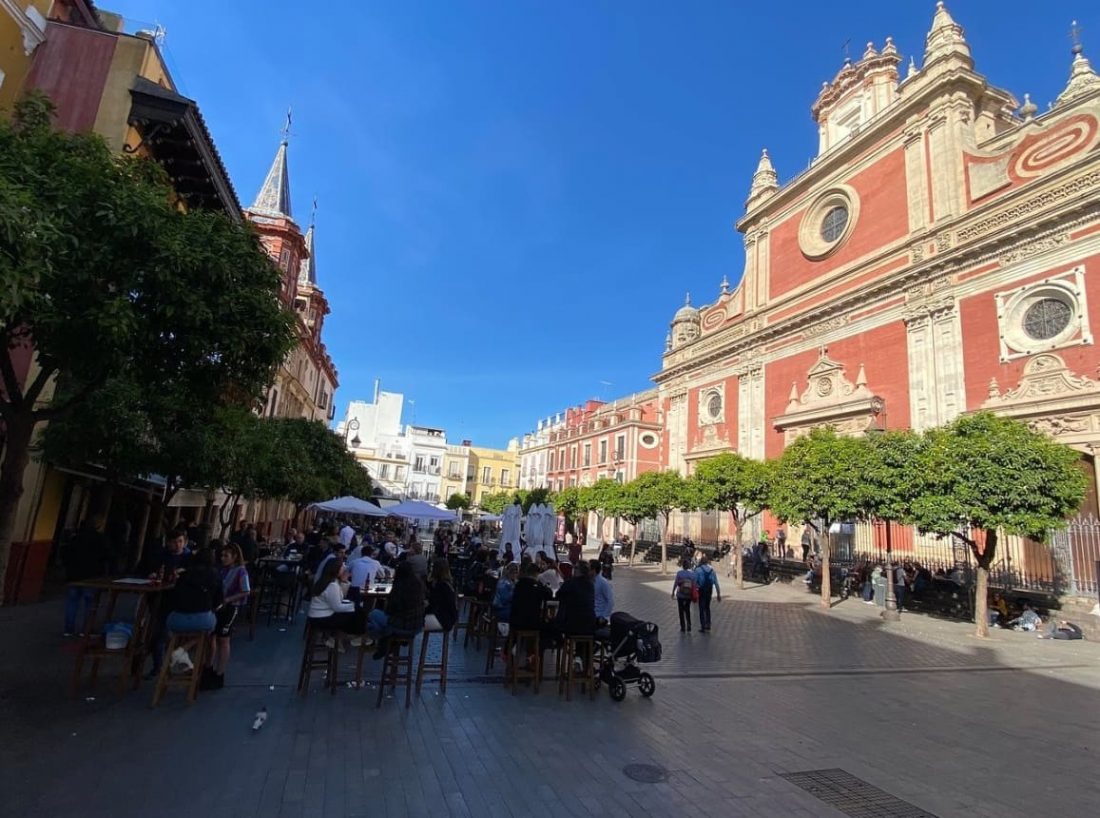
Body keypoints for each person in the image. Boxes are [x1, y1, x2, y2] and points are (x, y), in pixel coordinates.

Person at [207, 544, 250, 689]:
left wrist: (229, 599)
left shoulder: (241, 571)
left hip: (231, 607)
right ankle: (209, 667)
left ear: (235, 557)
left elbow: (246, 591)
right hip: (216, 607)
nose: (223, 558)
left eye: (226, 556)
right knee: (212, 636)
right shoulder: (220, 570)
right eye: (222, 555)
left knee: (223, 639)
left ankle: (220, 673)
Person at [61, 515, 109, 636]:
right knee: (90, 604)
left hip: (73, 575)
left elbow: (65, 555)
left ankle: (68, 629)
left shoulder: (75, 539)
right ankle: (86, 630)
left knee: (72, 602)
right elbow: (108, 555)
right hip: (92, 576)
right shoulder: (99, 539)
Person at [369, 563, 425, 659]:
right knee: (380, 622)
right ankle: (388, 639)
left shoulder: (399, 587)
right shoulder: (418, 585)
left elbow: (390, 610)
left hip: (400, 624)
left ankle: (385, 639)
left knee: (372, 615)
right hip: (417, 625)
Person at [308, 559, 367, 643]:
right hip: (322, 618)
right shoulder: (332, 585)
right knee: (358, 612)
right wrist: (354, 605)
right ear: (336, 569)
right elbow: (337, 607)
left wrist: (343, 581)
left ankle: (338, 639)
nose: (344, 568)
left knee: (355, 612)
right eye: (342, 566)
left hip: (315, 615)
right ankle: (345, 638)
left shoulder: (324, 581)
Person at [554, 560, 596, 639]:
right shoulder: (591, 584)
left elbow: (558, 595)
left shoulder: (571, 582)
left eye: (575, 567)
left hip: (573, 624)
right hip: (590, 624)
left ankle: (558, 642)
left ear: (578, 570)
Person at [425, 560, 459, 632]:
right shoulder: (446, 584)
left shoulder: (440, 586)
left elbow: (433, 603)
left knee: (414, 622)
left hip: (442, 620)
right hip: (447, 619)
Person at [694, 553, 721, 633]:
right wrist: (718, 594)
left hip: (701, 590)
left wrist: (694, 591)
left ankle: (702, 626)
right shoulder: (712, 571)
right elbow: (716, 583)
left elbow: (694, 583)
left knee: (701, 608)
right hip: (709, 590)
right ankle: (708, 624)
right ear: (707, 562)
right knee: (707, 607)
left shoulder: (697, 570)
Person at [492, 563, 520, 635]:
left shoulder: (508, 582)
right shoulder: (504, 583)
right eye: (515, 573)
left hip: (504, 608)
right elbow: (505, 599)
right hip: (502, 609)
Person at [672, 557, 696, 633]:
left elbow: (676, 583)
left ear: (682, 566)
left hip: (680, 594)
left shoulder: (679, 573)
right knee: (687, 609)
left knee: (681, 610)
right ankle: (689, 625)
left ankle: (683, 626)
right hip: (688, 595)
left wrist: (673, 592)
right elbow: (694, 585)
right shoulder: (692, 574)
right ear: (688, 566)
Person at [590, 559, 614, 625]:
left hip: (599, 616)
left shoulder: (603, 583)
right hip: (590, 614)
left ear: (593, 570)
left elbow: (610, 601)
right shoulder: (589, 581)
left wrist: (604, 616)